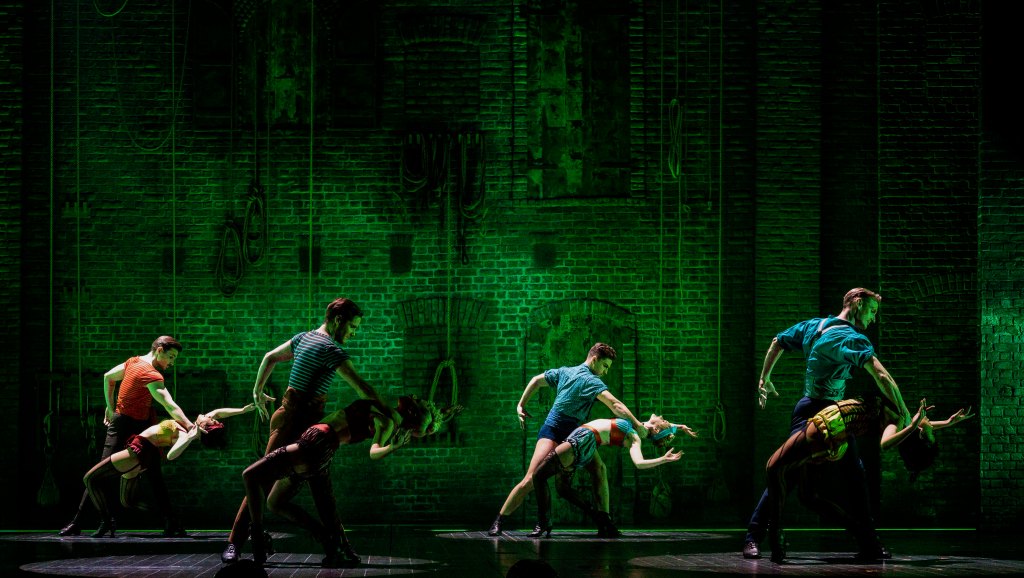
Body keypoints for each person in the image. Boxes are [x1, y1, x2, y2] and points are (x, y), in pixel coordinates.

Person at [742, 288, 911, 560]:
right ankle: (754, 536)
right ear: (857, 304)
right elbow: (883, 377)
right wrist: (904, 412)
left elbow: (777, 342)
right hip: (826, 412)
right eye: (871, 311)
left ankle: (868, 542)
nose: (873, 319)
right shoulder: (851, 338)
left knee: (825, 478)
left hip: (818, 409)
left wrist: (765, 378)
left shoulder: (815, 326)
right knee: (806, 474)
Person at [221, 298, 384, 565]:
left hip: (311, 426)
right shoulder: (330, 348)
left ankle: (337, 545)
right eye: (353, 326)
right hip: (291, 421)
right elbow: (363, 388)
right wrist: (390, 411)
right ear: (338, 320)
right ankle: (234, 543)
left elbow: (269, 357)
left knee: (317, 488)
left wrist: (258, 390)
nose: (354, 333)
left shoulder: (303, 338)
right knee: (263, 481)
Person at [240, 395, 461, 566]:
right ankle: (330, 541)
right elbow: (421, 424)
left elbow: (374, 452)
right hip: (321, 450)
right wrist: (442, 413)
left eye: (419, 401)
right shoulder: (388, 411)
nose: (415, 396)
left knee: (251, 475)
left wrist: (392, 447)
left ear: (412, 411)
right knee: (276, 503)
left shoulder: (388, 422)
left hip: (316, 443)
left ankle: (258, 539)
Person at [764, 397, 973, 562]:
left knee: (774, 467)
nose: (930, 427)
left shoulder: (897, 422)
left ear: (919, 435)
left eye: (929, 433)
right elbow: (923, 428)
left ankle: (774, 535)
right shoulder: (907, 421)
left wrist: (913, 426)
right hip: (836, 430)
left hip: (832, 426)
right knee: (807, 496)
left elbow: (885, 443)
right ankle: (859, 532)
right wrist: (948, 422)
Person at [488, 343, 648, 538]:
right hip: (554, 430)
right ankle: (499, 520)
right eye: (605, 366)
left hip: (576, 435)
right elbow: (616, 405)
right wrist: (637, 424)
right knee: (531, 478)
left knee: (599, 469)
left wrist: (521, 405)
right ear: (595, 359)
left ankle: (604, 522)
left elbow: (536, 380)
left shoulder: (565, 371)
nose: (605, 372)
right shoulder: (591, 380)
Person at [59, 336, 194, 538]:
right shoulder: (150, 373)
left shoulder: (133, 362)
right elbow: (169, 404)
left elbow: (108, 377)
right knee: (100, 473)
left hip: (140, 425)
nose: (172, 362)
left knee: (154, 473)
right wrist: (190, 426)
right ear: (159, 350)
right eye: (171, 357)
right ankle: (80, 522)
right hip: (123, 425)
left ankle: (170, 520)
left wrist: (110, 407)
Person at [81, 403, 262, 538]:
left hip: (138, 452)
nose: (212, 416)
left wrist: (189, 438)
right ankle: (171, 519)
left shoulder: (186, 434)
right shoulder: (191, 426)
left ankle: (106, 522)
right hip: (143, 455)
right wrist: (243, 410)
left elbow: (170, 455)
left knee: (90, 479)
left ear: (204, 428)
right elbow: (219, 412)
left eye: (212, 421)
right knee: (128, 501)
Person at [499, 414, 695, 537]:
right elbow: (658, 428)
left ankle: (544, 522)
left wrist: (663, 459)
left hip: (584, 440)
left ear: (657, 428)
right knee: (563, 489)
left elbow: (639, 463)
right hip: (583, 439)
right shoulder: (639, 427)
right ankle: (600, 519)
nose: (662, 416)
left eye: (664, 420)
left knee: (539, 475)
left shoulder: (635, 437)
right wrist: (679, 427)